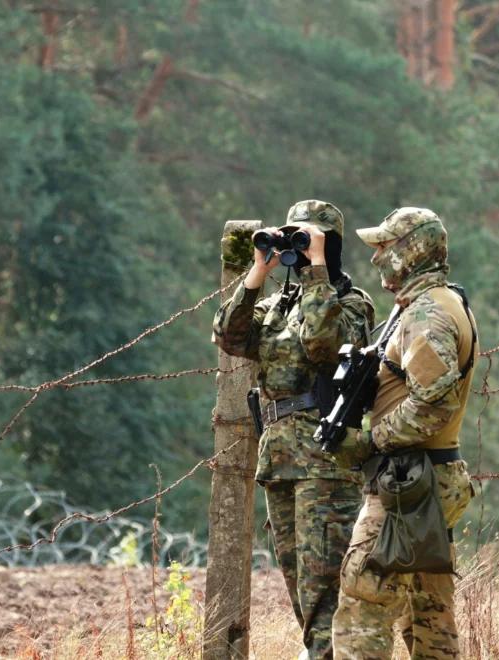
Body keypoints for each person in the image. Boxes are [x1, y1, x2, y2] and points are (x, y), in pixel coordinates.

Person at [213, 200, 375, 659]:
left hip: (325, 463)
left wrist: (317, 269)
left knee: (324, 593)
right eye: (294, 238)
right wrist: (256, 273)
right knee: (301, 594)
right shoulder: (275, 306)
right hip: (281, 459)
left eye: (307, 239)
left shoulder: (350, 302)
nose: (298, 249)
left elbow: (324, 345)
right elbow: (228, 336)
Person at [330, 207, 479, 659]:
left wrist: (370, 442)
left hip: (411, 483)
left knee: (363, 602)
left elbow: (433, 406)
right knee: (427, 611)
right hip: (427, 478)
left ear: (410, 252)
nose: (377, 258)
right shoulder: (433, 303)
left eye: (385, 247)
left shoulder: (428, 313)